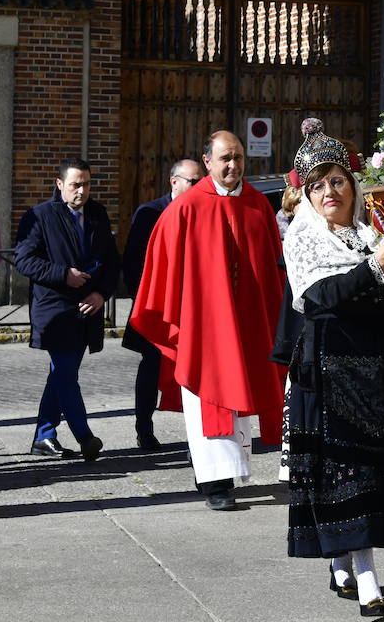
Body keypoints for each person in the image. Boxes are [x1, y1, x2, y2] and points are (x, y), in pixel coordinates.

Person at [281, 119, 384, 616]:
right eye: (317, 186)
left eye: (337, 181)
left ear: (353, 186)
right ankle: (369, 579)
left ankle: (341, 562)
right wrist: (375, 264)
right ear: (307, 197)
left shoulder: (373, 228)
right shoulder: (304, 239)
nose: (329, 192)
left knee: (374, 477)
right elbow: (320, 298)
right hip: (334, 371)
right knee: (345, 475)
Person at [130, 130, 286, 512]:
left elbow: (273, 267)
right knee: (207, 401)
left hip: (246, 322)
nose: (233, 165)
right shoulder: (186, 207)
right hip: (202, 325)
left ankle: (228, 474)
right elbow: (160, 260)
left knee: (239, 401)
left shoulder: (256, 205)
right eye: (225, 159)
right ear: (207, 163)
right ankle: (213, 482)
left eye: (238, 157)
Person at [15, 158, 119, 462]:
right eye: (75, 184)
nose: (82, 190)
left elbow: (112, 261)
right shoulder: (39, 216)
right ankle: (85, 436)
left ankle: (44, 435)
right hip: (54, 310)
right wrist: (63, 274)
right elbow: (24, 260)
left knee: (61, 374)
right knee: (65, 374)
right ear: (60, 184)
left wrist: (102, 293)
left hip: (88, 310)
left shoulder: (97, 213)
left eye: (86, 183)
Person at [122, 158, 202, 451]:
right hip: (156, 305)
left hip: (192, 307)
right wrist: (143, 301)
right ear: (175, 181)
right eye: (193, 181)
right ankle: (144, 428)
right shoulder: (150, 213)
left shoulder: (202, 209)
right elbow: (133, 262)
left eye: (201, 180)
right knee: (152, 365)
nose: (198, 186)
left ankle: (202, 432)